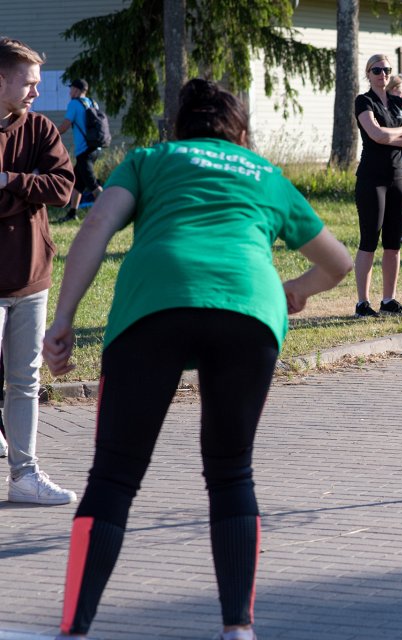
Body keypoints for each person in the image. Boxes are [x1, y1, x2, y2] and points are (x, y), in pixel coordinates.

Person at [44, 78, 353, 640]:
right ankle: (238, 628)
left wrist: (63, 319)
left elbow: (95, 226)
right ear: (241, 132)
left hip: (153, 304)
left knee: (114, 476)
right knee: (231, 471)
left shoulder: (150, 159)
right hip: (248, 308)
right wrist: (295, 288)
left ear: (181, 129)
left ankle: (75, 628)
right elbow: (338, 264)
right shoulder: (265, 174)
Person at [0, 37, 77, 505]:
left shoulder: (42, 131)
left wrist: (11, 181)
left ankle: (24, 476)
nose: (35, 92)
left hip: (31, 276)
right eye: (28, 83)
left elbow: (63, 188)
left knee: (25, 380)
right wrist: (26, 195)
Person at [353, 54, 402, 318]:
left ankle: (389, 300)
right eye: (377, 70)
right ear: (368, 74)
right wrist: (399, 132)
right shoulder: (363, 101)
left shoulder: (398, 102)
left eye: (387, 70)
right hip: (372, 179)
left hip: (398, 179)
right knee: (369, 239)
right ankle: (362, 304)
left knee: (393, 243)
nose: (382, 74)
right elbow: (375, 134)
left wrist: (393, 134)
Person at [55, 79, 103, 223]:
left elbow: (65, 125)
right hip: (95, 148)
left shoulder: (74, 104)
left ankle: (109, 212)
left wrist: (51, 134)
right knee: (78, 183)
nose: (70, 92)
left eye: (71, 89)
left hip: (84, 151)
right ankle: (72, 213)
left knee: (92, 184)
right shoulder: (93, 103)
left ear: (76, 90)